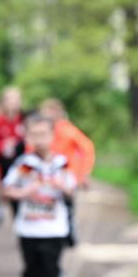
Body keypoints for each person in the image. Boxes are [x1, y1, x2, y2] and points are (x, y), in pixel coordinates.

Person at [1, 114, 76, 277]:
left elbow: (72, 189)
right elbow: (7, 189)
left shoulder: (60, 163)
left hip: (54, 229)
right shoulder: (25, 165)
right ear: (28, 137)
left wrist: (59, 185)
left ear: (52, 136)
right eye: (35, 135)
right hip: (28, 229)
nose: (40, 139)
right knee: (32, 272)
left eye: (44, 134)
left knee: (52, 275)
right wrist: (26, 192)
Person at [35, 98, 95, 246]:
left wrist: (84, 172)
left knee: (67, 204)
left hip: (65, 174)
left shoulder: (67, 130)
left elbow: (87, 148)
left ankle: (68, 234)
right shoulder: (39, 130)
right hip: (44, 175)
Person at [0, 86, 26, 218]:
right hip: (4, 166)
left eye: (16, 99)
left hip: (23, 167)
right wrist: (3, 145)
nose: (13, 102)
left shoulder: (25, 121)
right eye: (9, 99)